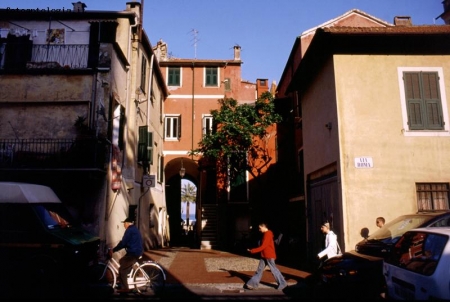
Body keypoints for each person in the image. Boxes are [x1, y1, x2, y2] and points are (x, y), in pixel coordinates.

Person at [244, 222, 288, 291]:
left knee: (273, 270)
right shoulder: (267, 234)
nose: (259, 229)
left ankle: (282, 283)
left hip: (268, 255)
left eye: (260, 228)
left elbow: (263, 246)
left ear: (264, 227)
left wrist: (253, 251)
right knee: (261, 270)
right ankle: (252, 284)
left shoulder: (268, 234)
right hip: (265, 255)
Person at [110, 217, 144, 293]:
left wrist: (114, 250)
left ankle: (126, 288)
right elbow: (126, 242)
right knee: (122, 261)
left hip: (133, 253)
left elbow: (123, 243)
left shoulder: (129, 230)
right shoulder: (134, 229)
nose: (123, 225)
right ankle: (123, 279)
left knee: (122, 269)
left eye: (124, 224)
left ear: (127, 223)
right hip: (136, 251)